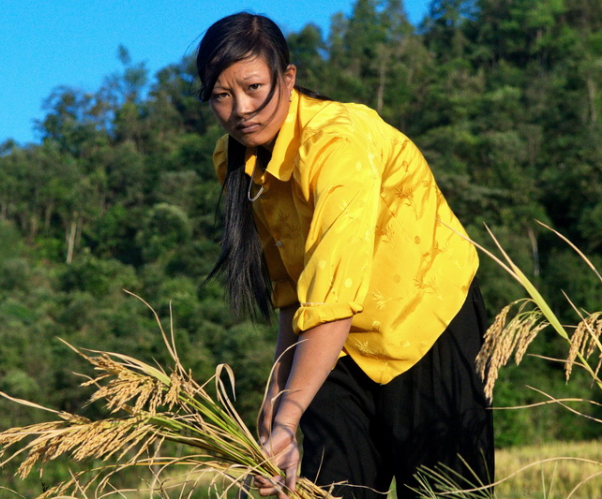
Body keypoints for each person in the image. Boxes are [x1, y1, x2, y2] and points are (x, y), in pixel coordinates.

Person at [197, 12, 494, 499]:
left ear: (287, 78)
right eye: (221, 95)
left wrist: (289, 417)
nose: (241, 109)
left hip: (425, 330)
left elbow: (334, 293)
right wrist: (276, 406)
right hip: (334, 348)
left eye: (253, 87)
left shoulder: (338, 143)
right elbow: (294, 293)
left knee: (448, 492)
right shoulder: (234, 160)